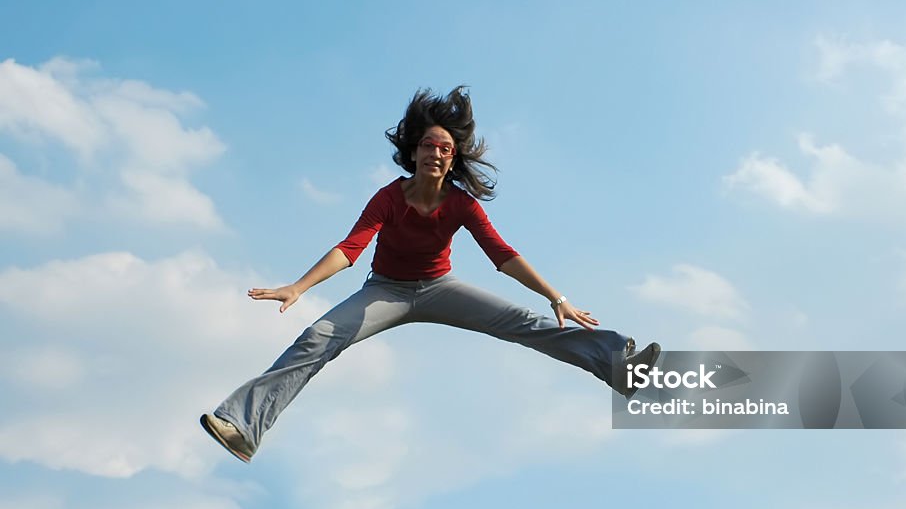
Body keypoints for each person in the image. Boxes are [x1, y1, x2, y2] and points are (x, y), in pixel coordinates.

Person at [200, 87, 660, 463]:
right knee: (319, 336)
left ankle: (620, 364)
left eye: (444, 148)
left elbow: (501, 254)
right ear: (414, 152)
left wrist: (555, 295)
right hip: (386, 291)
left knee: (527, 322)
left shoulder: (461, 204)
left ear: (452, 159)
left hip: (440, 289)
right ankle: (241, 424)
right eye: (427, 145)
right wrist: (298, 286)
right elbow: (350, 247)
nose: (435, 154)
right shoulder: (390, 197)